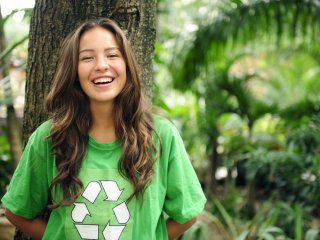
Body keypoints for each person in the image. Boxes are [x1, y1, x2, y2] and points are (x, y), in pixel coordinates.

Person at [1, 18, 206, 240]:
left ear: (127, 65)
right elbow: (16, 211)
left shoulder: (161, 136)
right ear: (74, 71)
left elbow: (188, 213)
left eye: (112, 55)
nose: (101, 65)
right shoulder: (49, 138)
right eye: (87, 57)